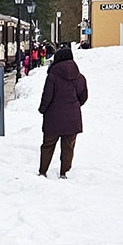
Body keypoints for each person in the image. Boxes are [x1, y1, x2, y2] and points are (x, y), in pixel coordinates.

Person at [38, 44, 88, 178]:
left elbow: (47, 96)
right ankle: (64, 173)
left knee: (48, 145)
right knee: (68, 147)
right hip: (72, 118)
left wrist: (42, 109)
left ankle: (43, 171)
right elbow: (83, 97)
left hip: (53, 118)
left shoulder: (52, 76)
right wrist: (73, 106)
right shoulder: (80, 77)